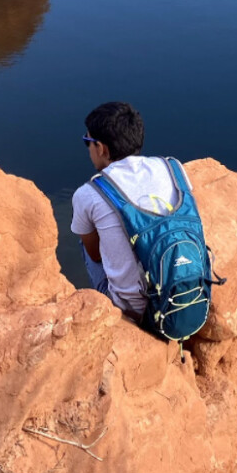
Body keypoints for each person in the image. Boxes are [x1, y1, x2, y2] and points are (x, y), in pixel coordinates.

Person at [70, 100, 180, 322]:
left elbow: (96, 256)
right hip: (182, 292)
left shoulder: (88, 193)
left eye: (87, 142)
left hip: (137, 310)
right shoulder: (172, 167)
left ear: (101, 148)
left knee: (87, 236)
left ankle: (116, 311)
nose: (88, 149)